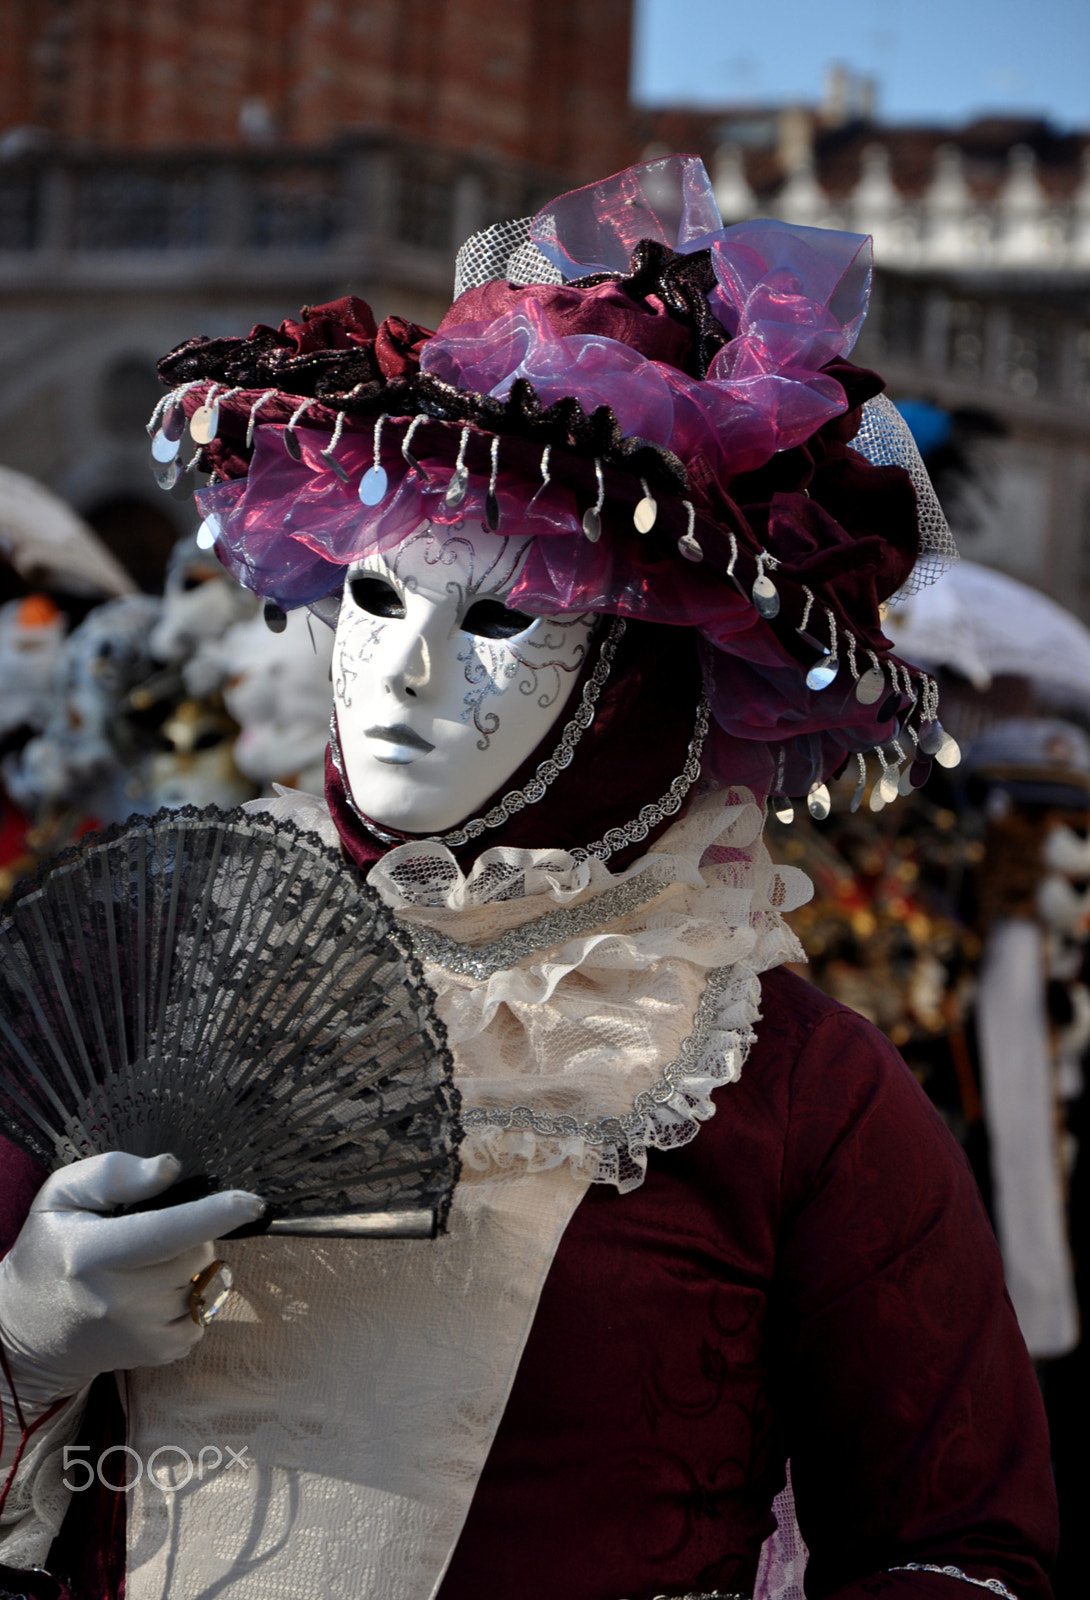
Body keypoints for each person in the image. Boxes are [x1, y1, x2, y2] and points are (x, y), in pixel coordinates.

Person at [0, 156, 1056, 1600]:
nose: (404, 670)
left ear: (635, 679)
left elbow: (961, 1551)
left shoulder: (788, 1089)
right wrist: (28, 1342)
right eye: (375, 593)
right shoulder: (146, 975)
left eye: (499, 616)